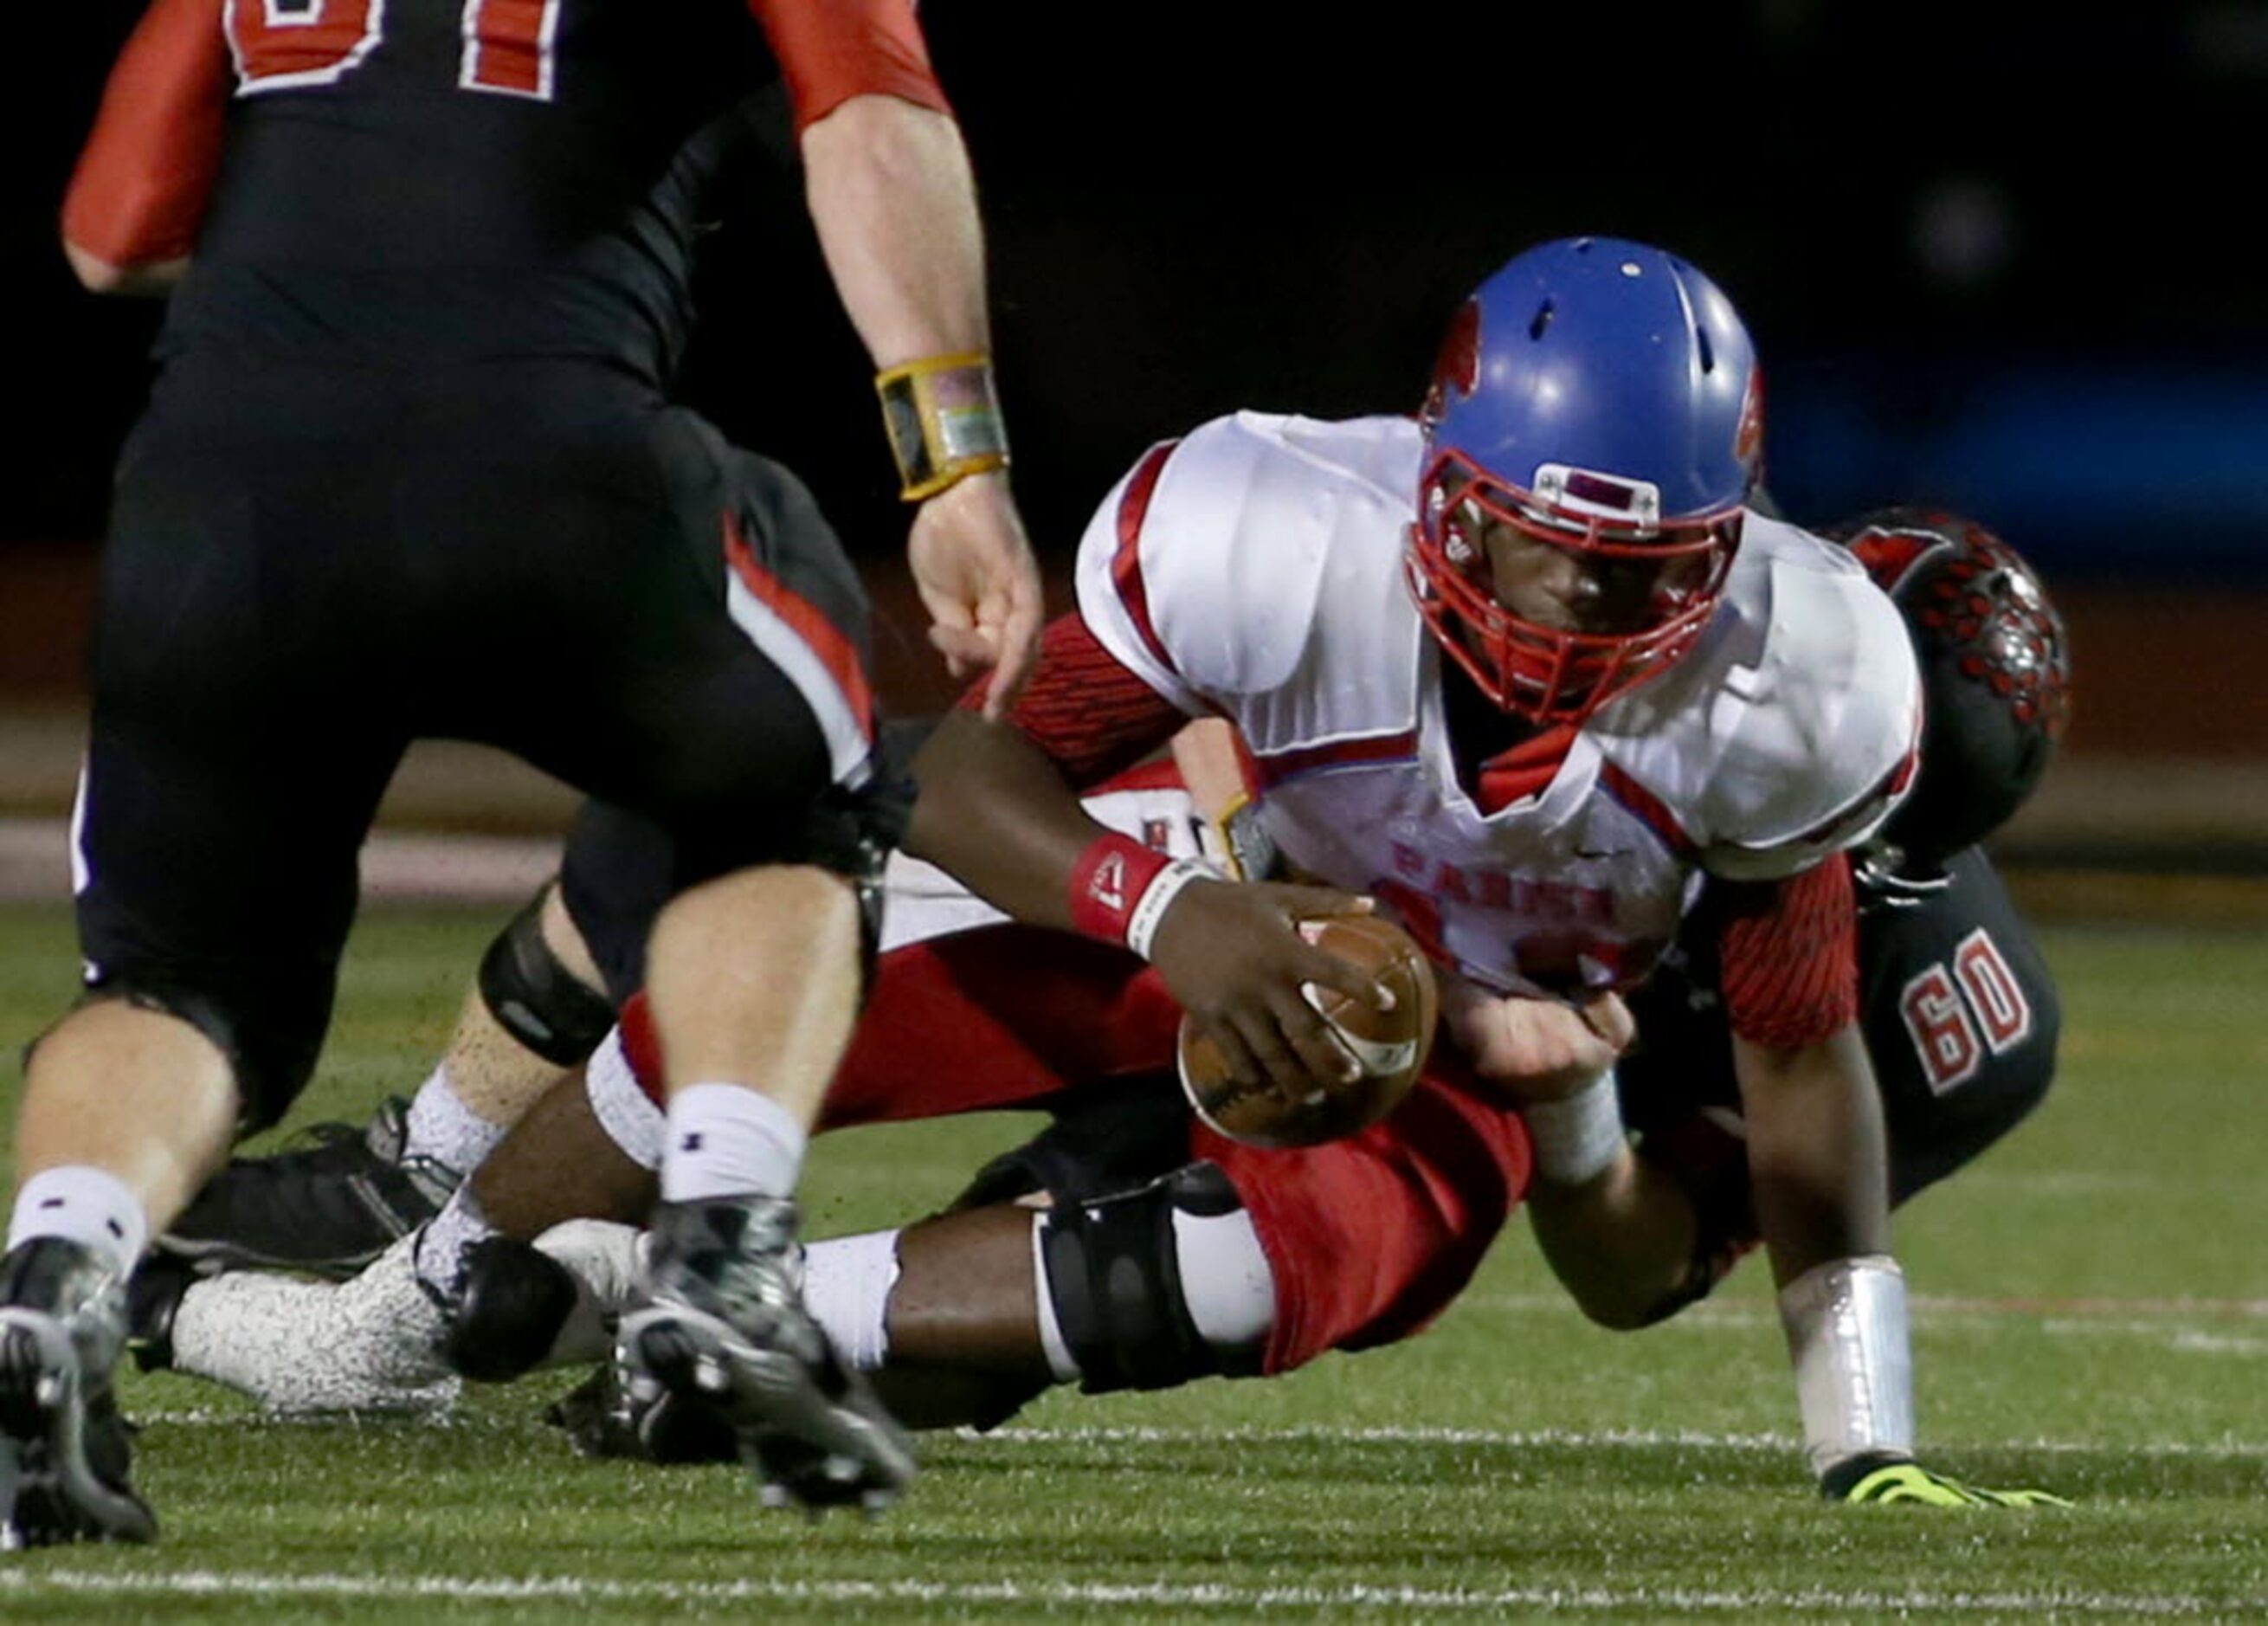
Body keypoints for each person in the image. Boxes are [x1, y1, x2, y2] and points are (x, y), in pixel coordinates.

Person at [140, 243, 2065, 1501]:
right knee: (791, 935)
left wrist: (1858, 1438)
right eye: (1552, 549)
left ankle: (731, 1316)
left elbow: (1797, 1071)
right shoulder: (1269, 520)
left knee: (1243, 1280)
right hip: (1212, 873)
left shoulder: (1797, 690)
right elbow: (974, 767)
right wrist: (1174, 909)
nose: (1590, 610)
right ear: (1439, 476)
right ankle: (420, 1285)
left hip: (1438, 1049)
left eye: (1656, 575)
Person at [8, 0, 1042, 1547]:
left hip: (221, 492)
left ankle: (52, 1288)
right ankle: (726, 1246)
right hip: (542, 448)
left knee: (175, 986)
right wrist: (957, 466)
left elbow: (112, 237)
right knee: (785, 811)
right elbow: (873, 121)